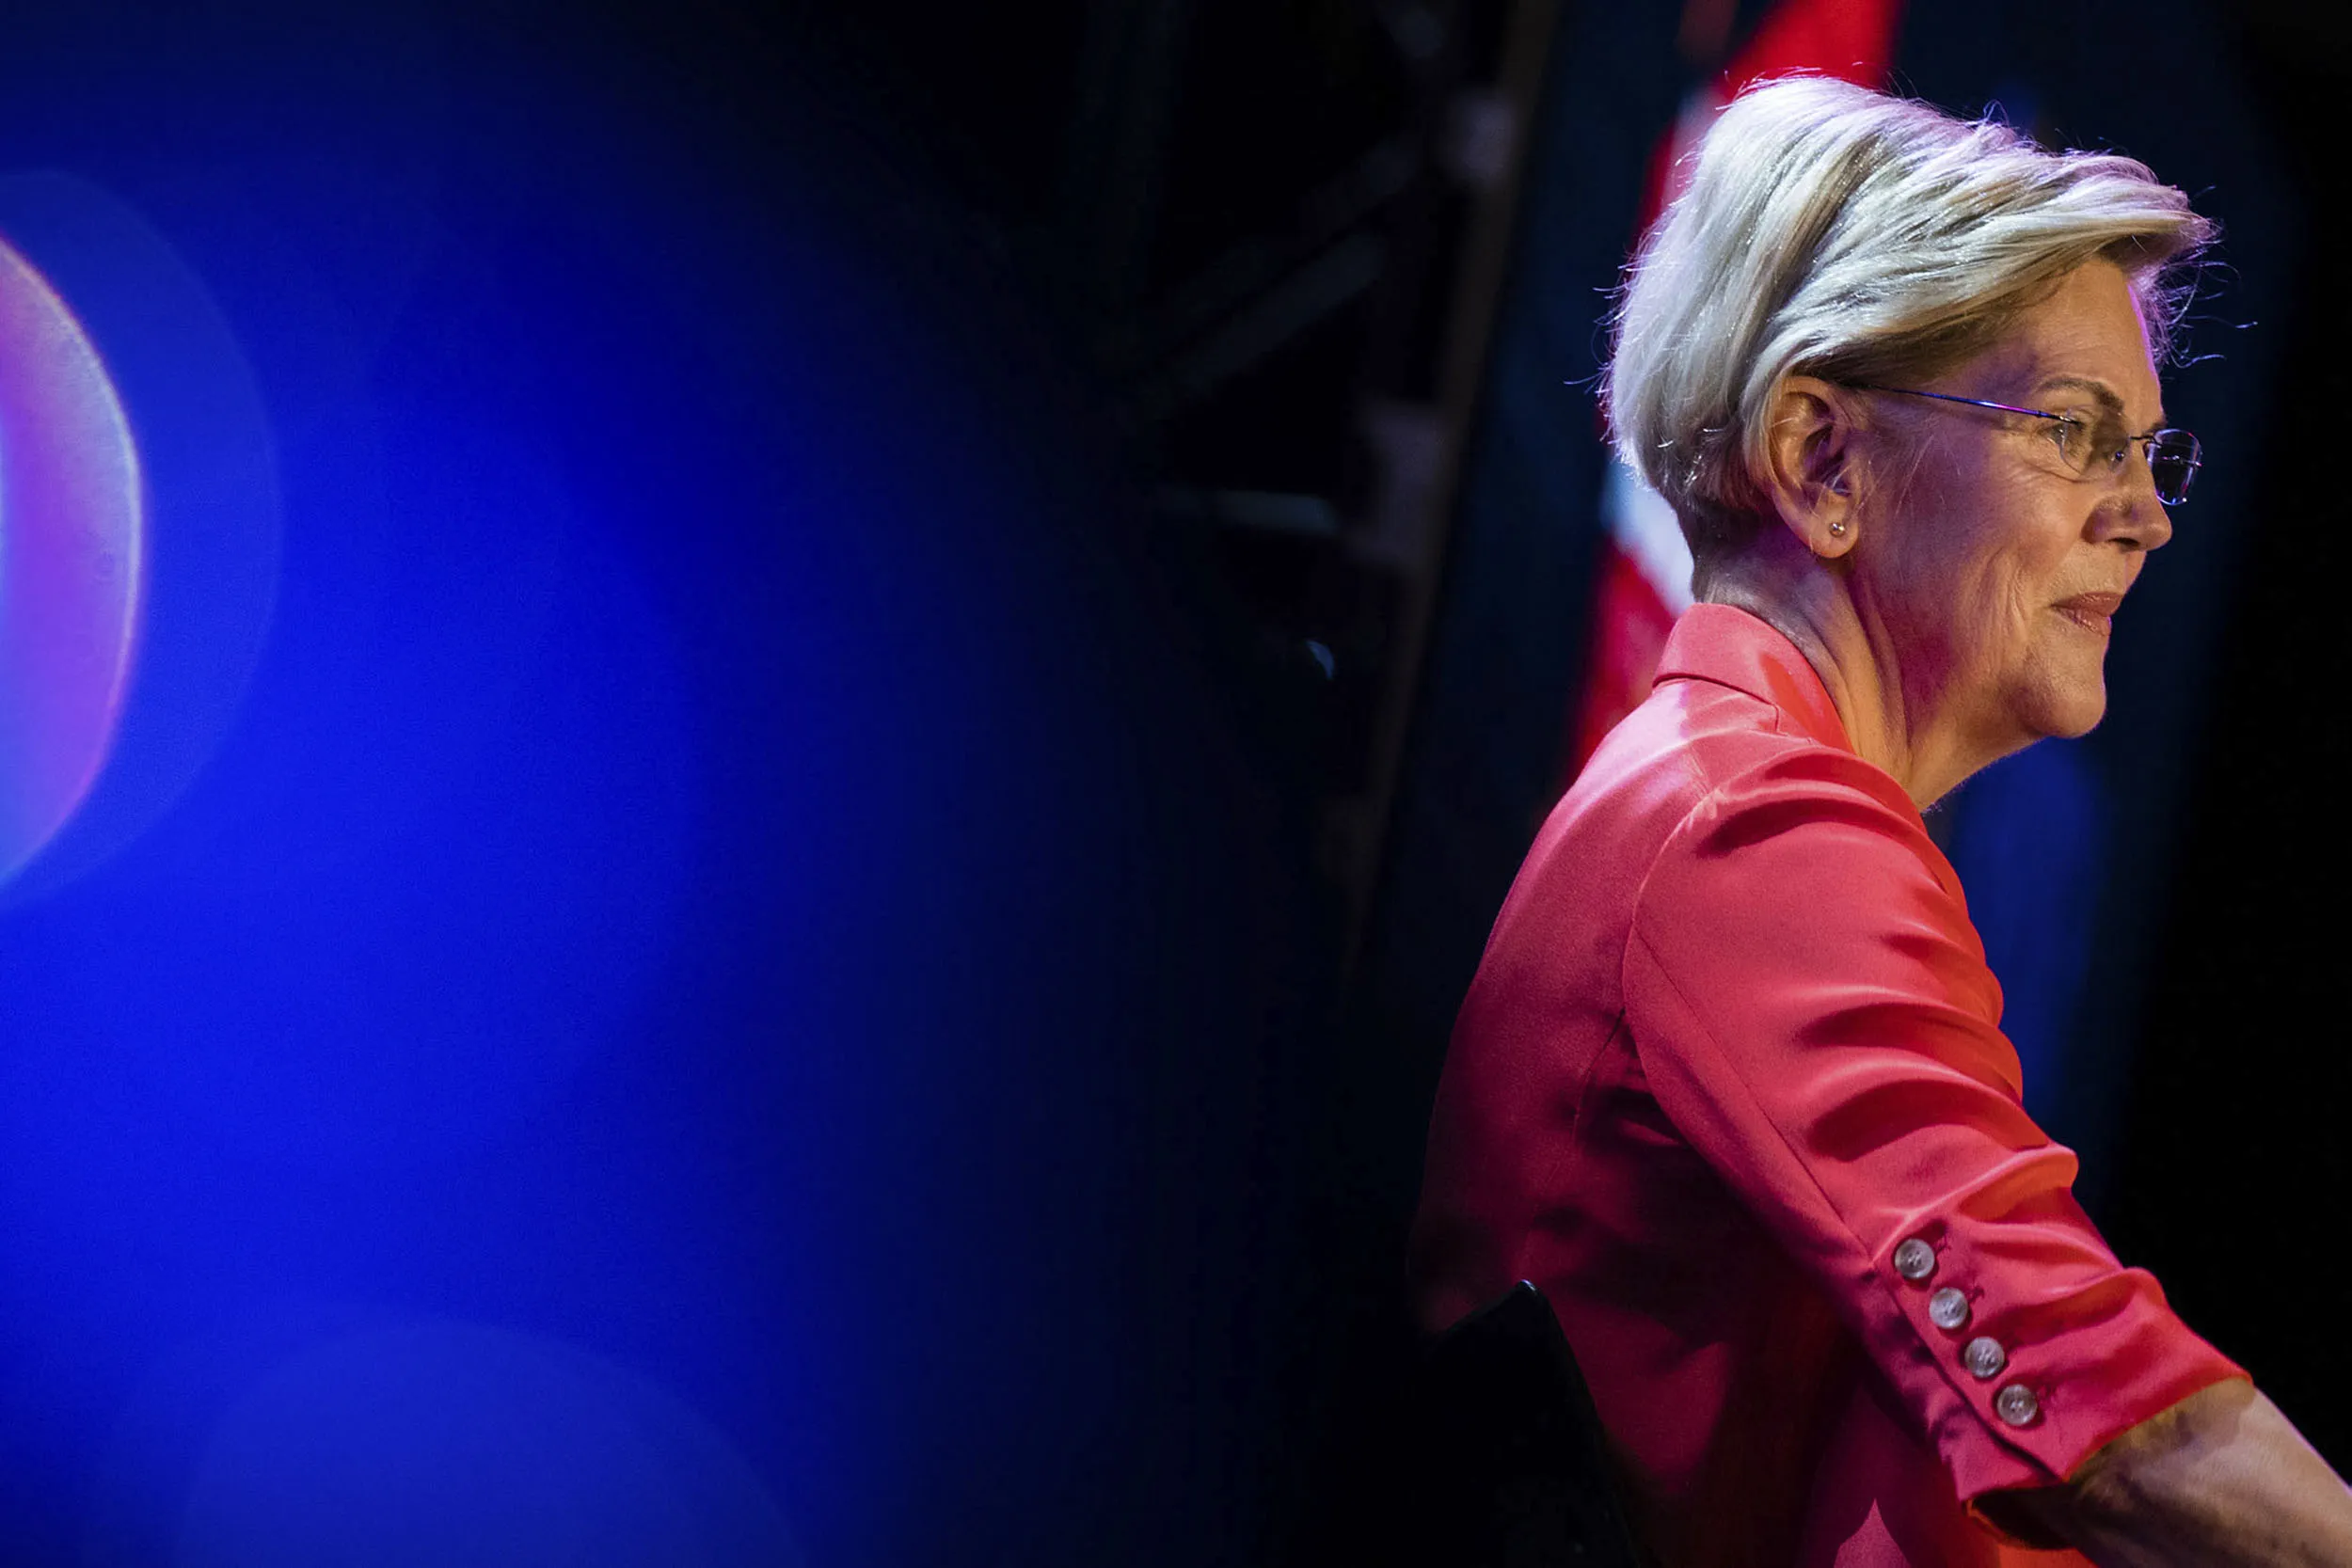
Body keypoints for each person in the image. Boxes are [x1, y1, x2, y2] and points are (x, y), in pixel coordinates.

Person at [1407, 77, 2352, 1567]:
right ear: (1822, 459)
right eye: (2076, 431)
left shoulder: (1724, 791)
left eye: (2149, 453)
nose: (2146, 515)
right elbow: (2092, 1410)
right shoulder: (1751, 823)